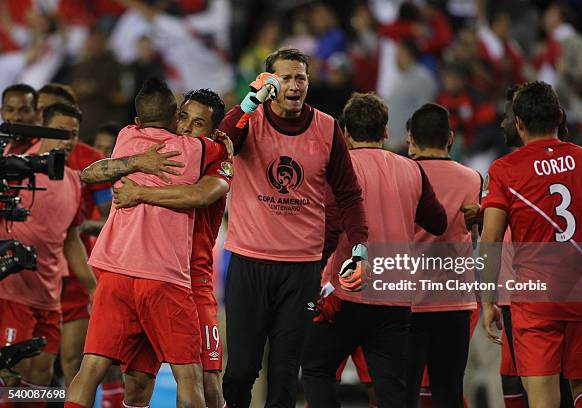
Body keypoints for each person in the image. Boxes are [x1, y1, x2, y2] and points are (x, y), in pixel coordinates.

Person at [218, 47, 368, 407]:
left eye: (300, 77)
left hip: (300, 268)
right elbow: (217, 144)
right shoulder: (249, 120)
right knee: (241, 370)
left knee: (285, 375)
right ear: (269, 82)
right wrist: (249, 103)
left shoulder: (328, 128)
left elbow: (349, 196)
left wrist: (360, 248)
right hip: (248, 263)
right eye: (285, 77)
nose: (294, 84)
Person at [82, 88, 231, 408]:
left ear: (214, 131)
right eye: (183, 117)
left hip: (193, 285)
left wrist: (139, 194)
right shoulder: (160, 154)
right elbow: (92, 172)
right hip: (151, 278)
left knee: (208, 383)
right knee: (135, 385)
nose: (188, 127)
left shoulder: (218, 163)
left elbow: (198, 196)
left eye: (199, 123)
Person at [301, 93, 446, 408]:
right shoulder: (411, 170)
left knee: (316, 368)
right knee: (391, 388)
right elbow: (437, 222)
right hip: (395, 295)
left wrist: (310, 281)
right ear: (385, 131)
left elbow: (327, 230)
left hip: (345, 292)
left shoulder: (338, 169)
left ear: (345, 133)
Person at [480, 81, 582, 408]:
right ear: (560, 117)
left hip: (535, 297)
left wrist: (487, 300)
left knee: (542, 399)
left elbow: (492, 239)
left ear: (520, 124)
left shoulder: (505, 170)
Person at [0, 102, 96, 390]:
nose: (68, 140)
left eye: (74, 134)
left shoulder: (75, 181)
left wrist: (94, 288)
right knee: (12, 379)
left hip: (49, 296)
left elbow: (71, 240)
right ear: (41, 126)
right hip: (11, 291)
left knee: (41, 379)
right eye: (61, 132)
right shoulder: (9, 165)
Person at [404, 103, 481, 407]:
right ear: (450, 137)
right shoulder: (473, 178)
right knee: (449, 390)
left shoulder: (402, 173)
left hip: (407, 300)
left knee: (404, 391)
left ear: (411, 138)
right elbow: (474, 235)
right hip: (454, 301)